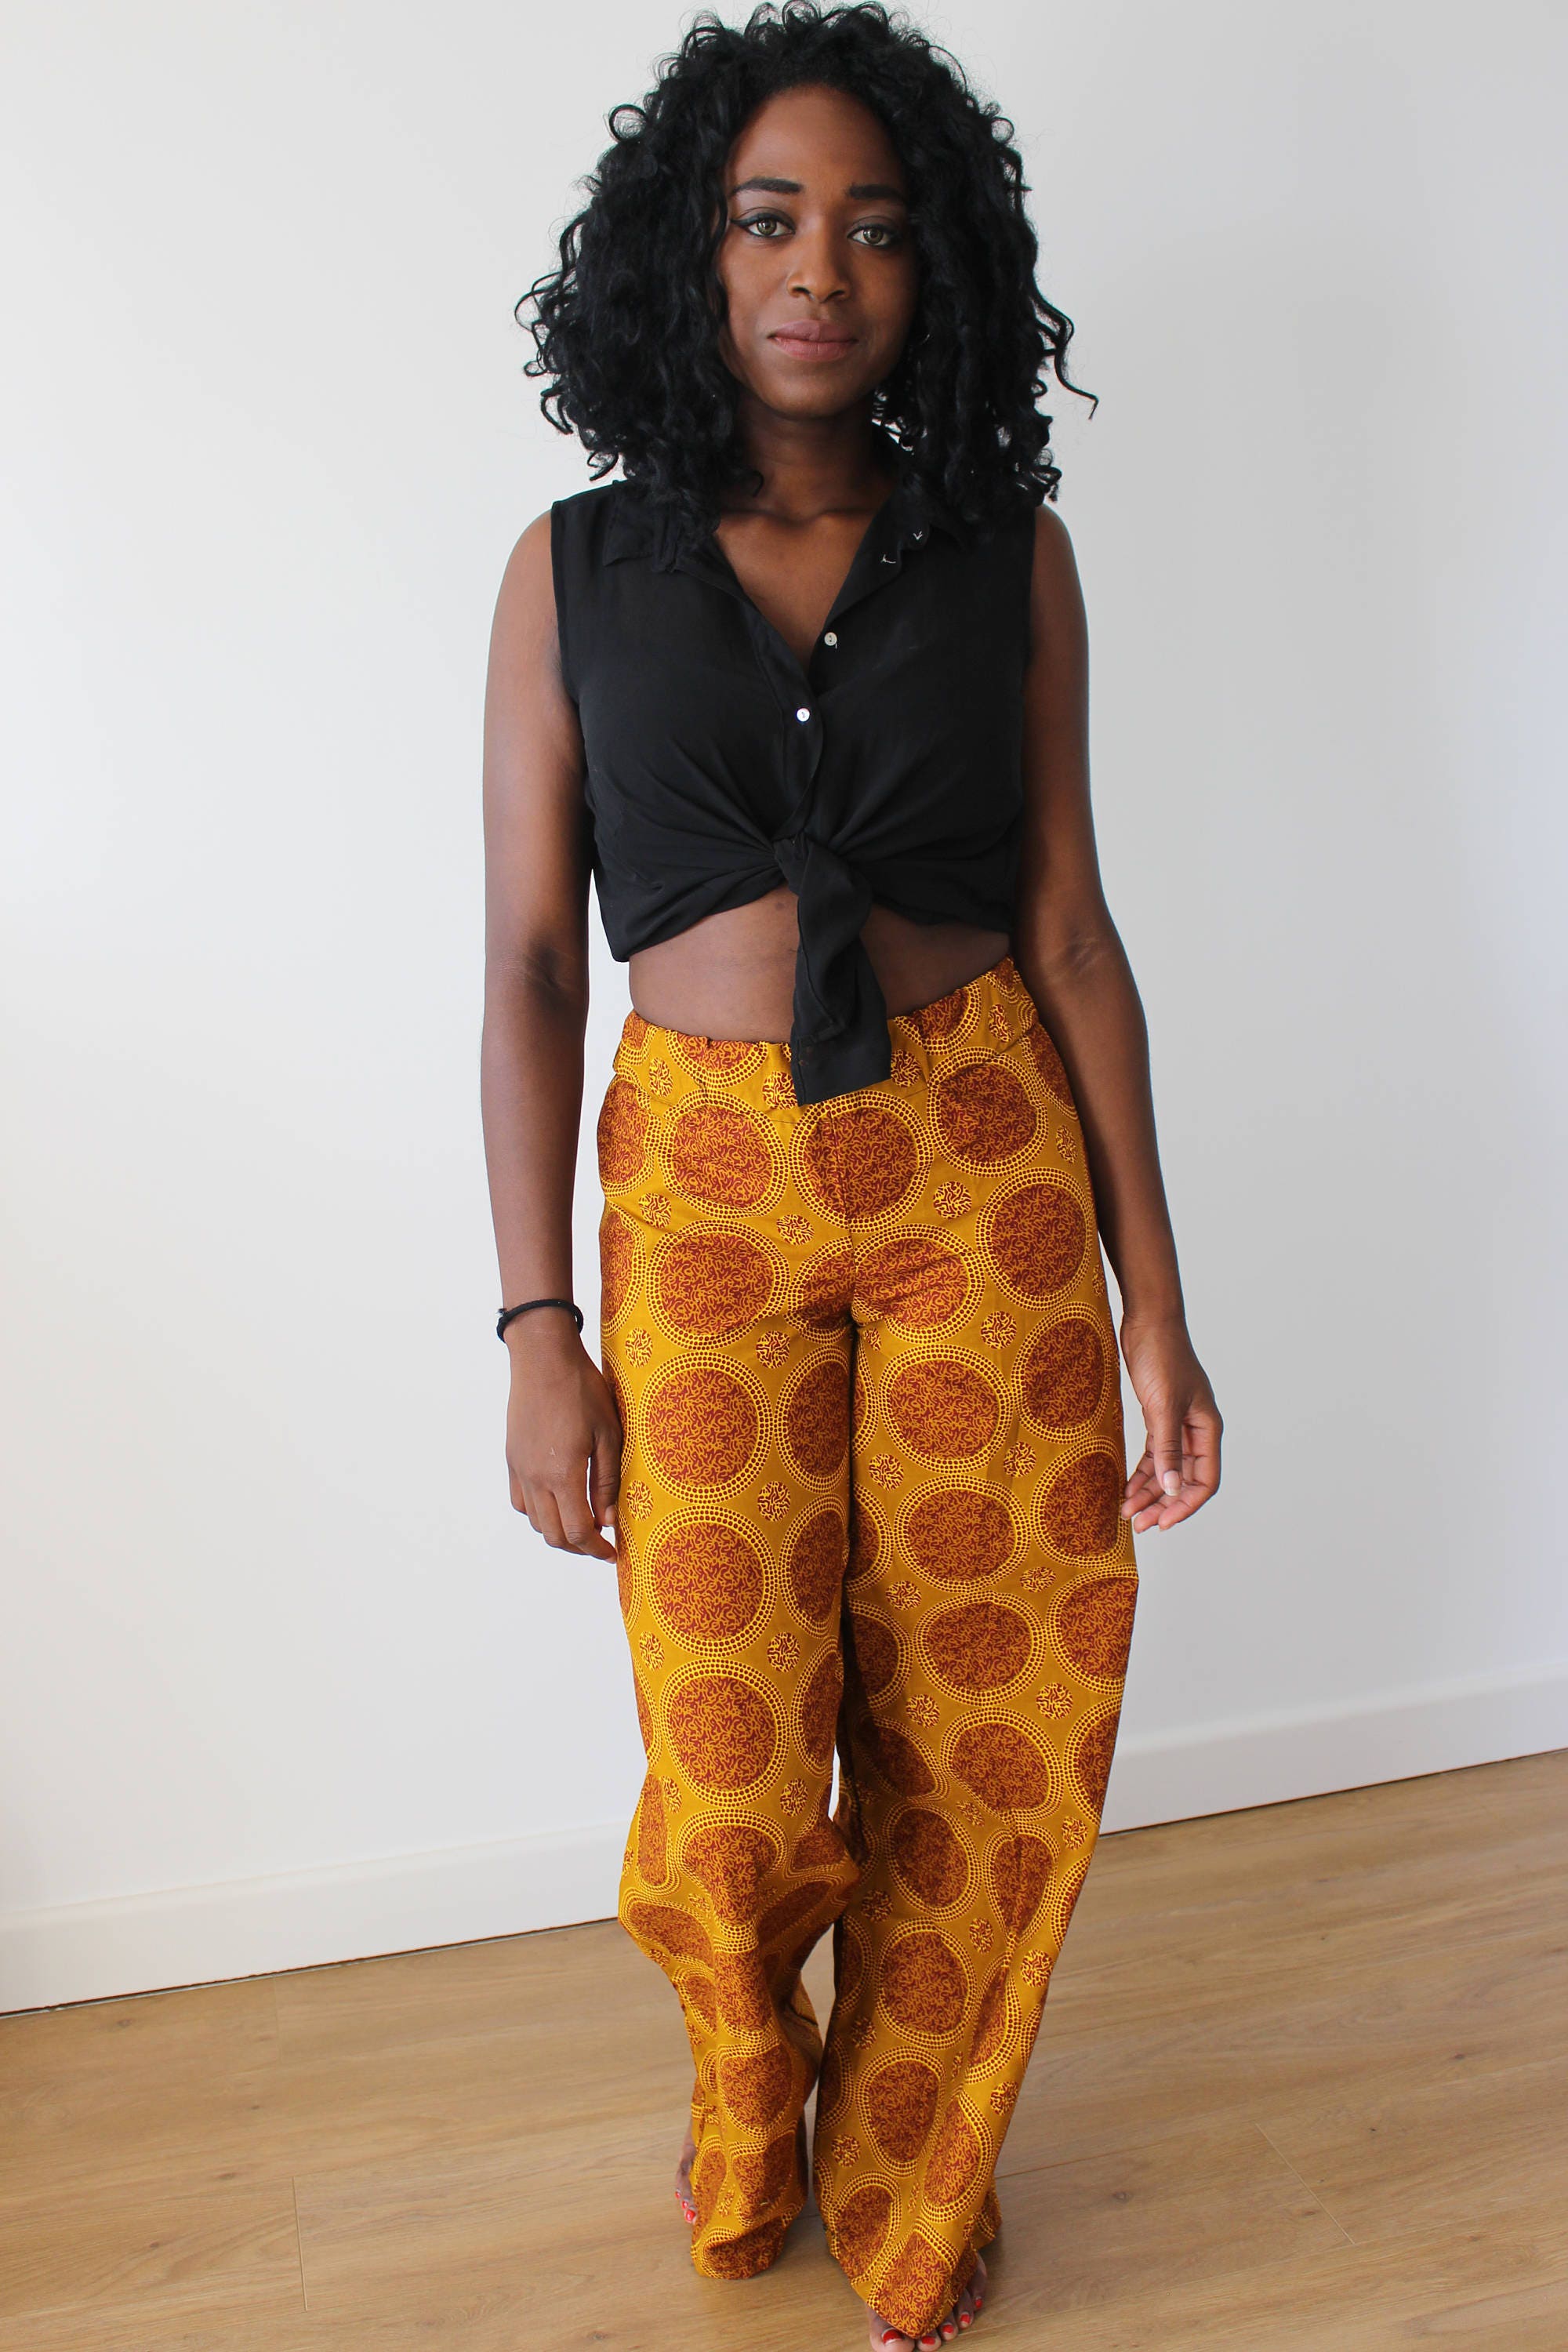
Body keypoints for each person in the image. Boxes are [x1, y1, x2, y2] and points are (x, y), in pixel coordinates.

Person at [481, 6, 1222, 2345]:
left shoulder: (1011, 558)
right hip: (697, 1196)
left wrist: (1158, 1303)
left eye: (879, 227)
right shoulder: (571, 569)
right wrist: (537, 1330)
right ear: (689, 254)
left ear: (941, 271)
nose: (823, 269)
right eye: (772, 217)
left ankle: (919, 2166)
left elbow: (1073, 934)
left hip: (981, 1160)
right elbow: (527, 966)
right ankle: (746, 2070)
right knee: (726, 1750)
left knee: (991, 1721)